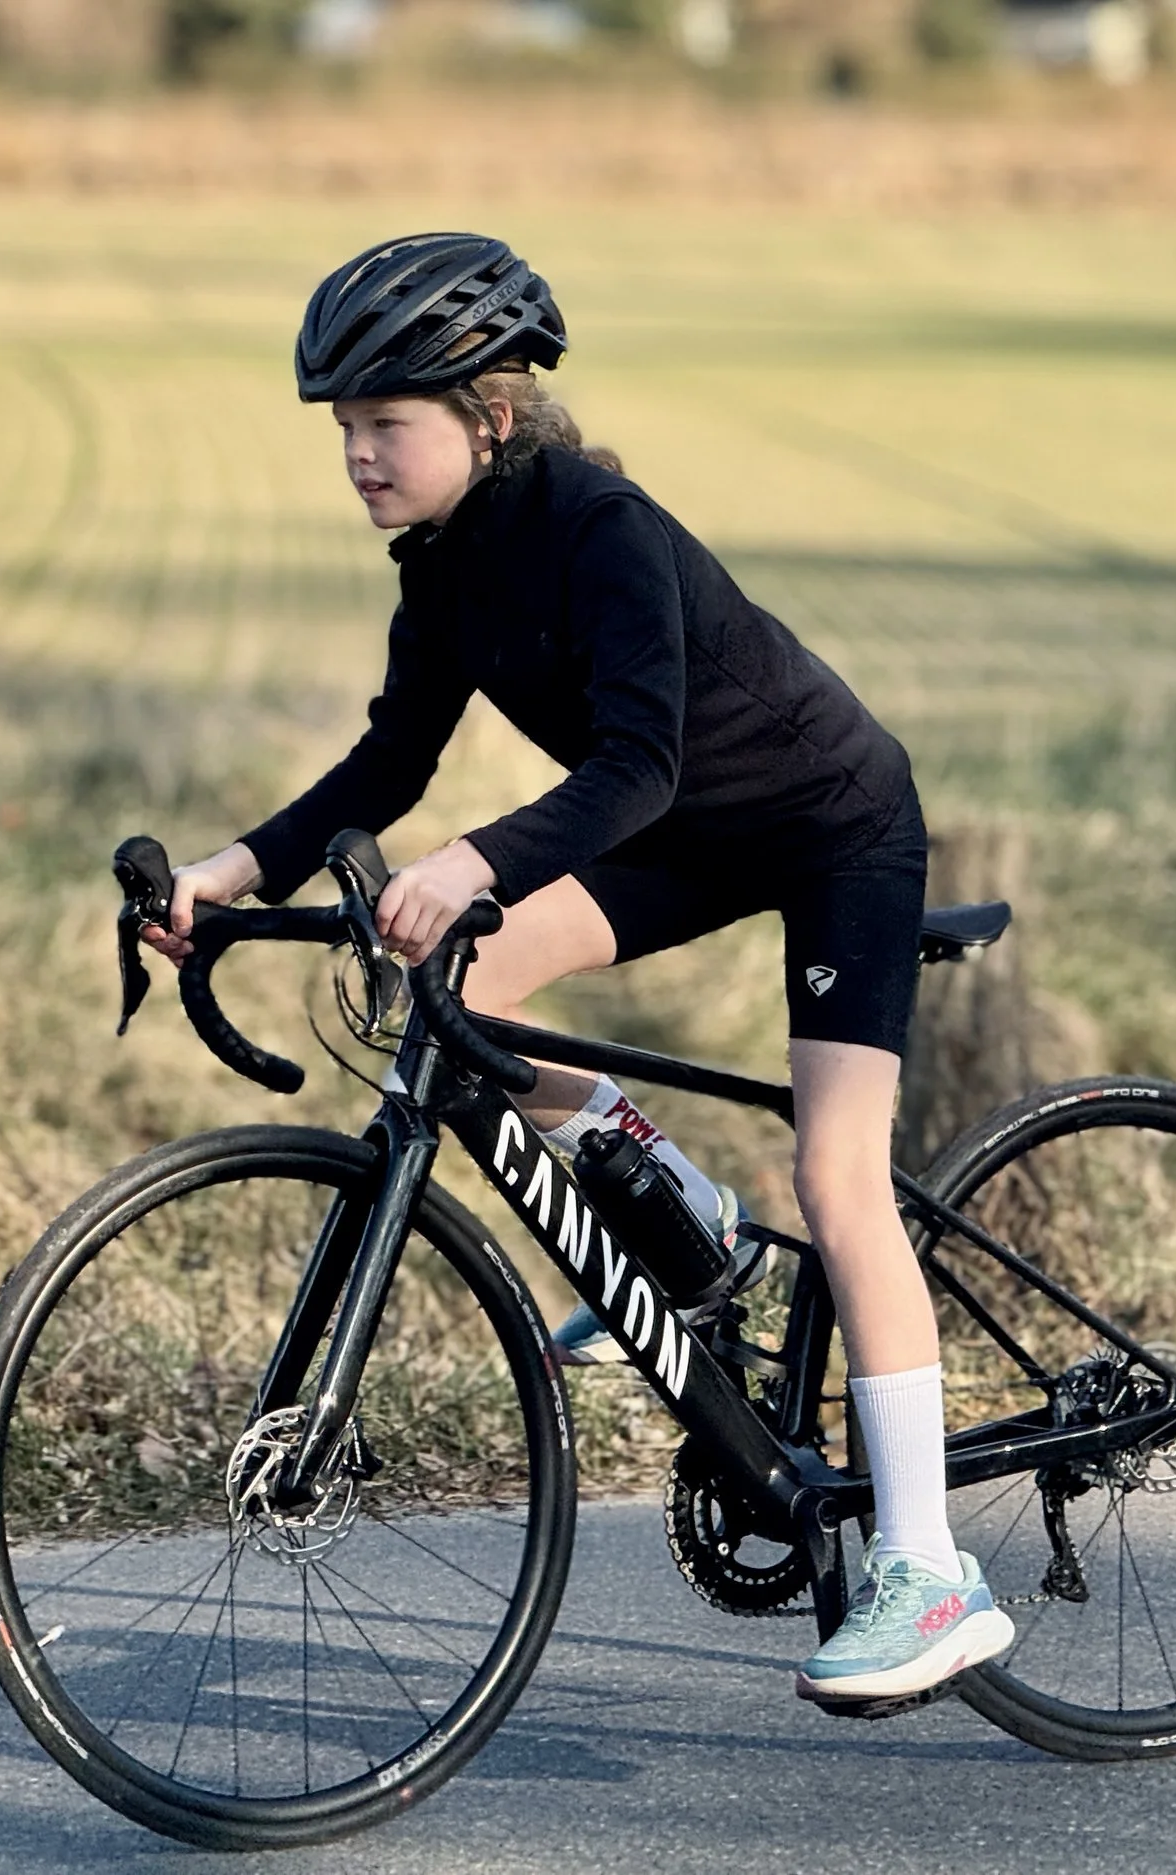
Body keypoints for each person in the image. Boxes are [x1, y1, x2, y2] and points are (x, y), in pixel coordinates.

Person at [140, 232, 1013, 1705]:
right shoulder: (447, 561)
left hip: (829, 828)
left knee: (842, 1179)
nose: (357, 457)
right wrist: (235, 873)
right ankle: (686, 1230)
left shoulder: (596, 525)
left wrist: (473, 862)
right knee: (465, 996)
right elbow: (391, 755)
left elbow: (639, 761)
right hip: (685, 829)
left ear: (489, 412)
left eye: (383, 426)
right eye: (343, 432)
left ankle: (930, 1569)